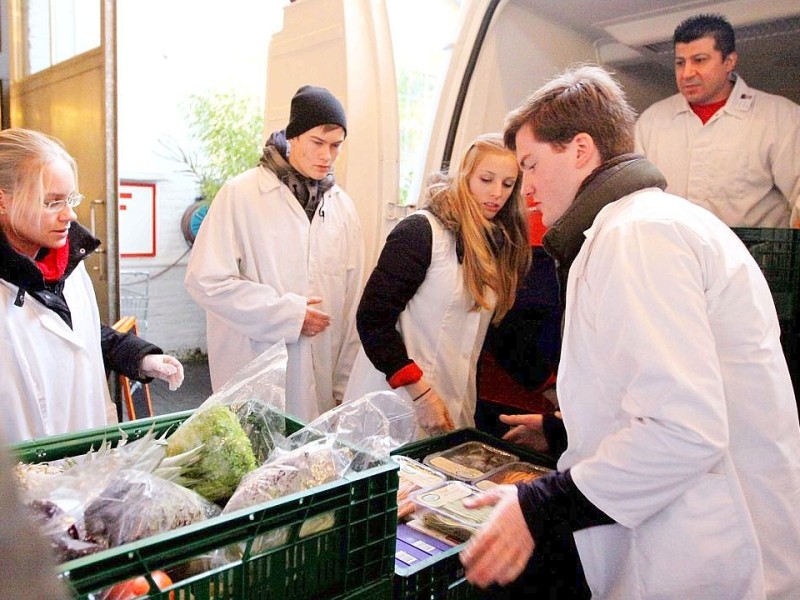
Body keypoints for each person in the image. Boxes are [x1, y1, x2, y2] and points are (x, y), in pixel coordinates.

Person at [459, 65, 800, 599]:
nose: (525, 190)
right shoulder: (645, 224)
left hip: (707, 550)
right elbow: (662, 392)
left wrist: (538, 505)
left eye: (530, 166)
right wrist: (565, 435)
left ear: (580, 149)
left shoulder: (639, 235)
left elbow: (683, 429)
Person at [184, 85, 364, 422]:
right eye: (317, 143)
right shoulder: (242, 194)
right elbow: (205, 280)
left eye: (336, 146)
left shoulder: (342, 207)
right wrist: (287, 315)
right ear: (293, 137)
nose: (327, 155)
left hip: (323, 382)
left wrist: (345, 388)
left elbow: (352, 303)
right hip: (255, 371)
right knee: (255, 462)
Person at [0, 128, 184, 444]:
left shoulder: (66, 263)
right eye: (51, 202)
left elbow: (81, 334)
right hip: (25, 471)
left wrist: (139, 358)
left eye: (70, 199)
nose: (70, 215)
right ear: (3, 201)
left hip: (87, 447)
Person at [344, 133, 530, 437]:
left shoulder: (496, 245)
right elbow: (372, 320)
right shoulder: (421, 232)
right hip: (396, 405)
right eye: (486, 179)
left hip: (453, 406)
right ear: (465, 176)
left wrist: (548, 389)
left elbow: (488, 337)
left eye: (508, 185)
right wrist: (421, 393)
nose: (496, 193)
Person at [635, 13, 800, 228]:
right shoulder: (652, 121)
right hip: (672, 255)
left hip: (756, 258)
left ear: (729, 61)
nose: (686, 73)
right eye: (679, 63)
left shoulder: (780, 117)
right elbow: (633, 200)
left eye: (699, 60)